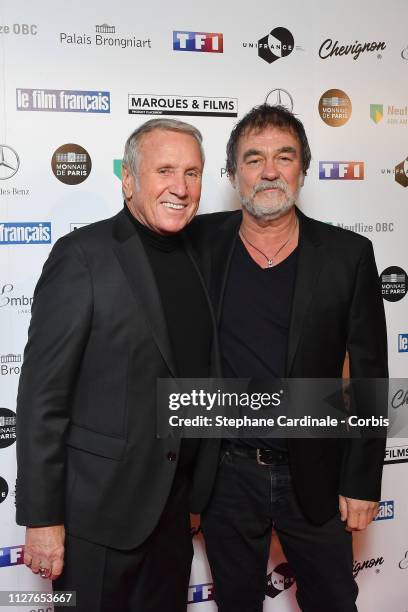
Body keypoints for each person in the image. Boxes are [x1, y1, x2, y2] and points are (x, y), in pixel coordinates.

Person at [15, 118, 219, 612]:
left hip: (172, 514)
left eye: (192, 173)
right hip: (97, 520)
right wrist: (42, 520)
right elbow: (42, 398)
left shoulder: (203, 255)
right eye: (165, 170)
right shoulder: (82, 256)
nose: (181, 187)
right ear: (128, 180)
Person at [191, 104, 388, 612]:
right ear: (233, 174)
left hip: (318, 474)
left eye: (285, 156)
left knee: (333, 602)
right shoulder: (198, 244)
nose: (271, 171)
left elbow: (369, 372)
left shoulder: (348, 255)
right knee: (236, 603)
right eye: (254, 159)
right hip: (227, 475)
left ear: (303, 168)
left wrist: (363, 482)